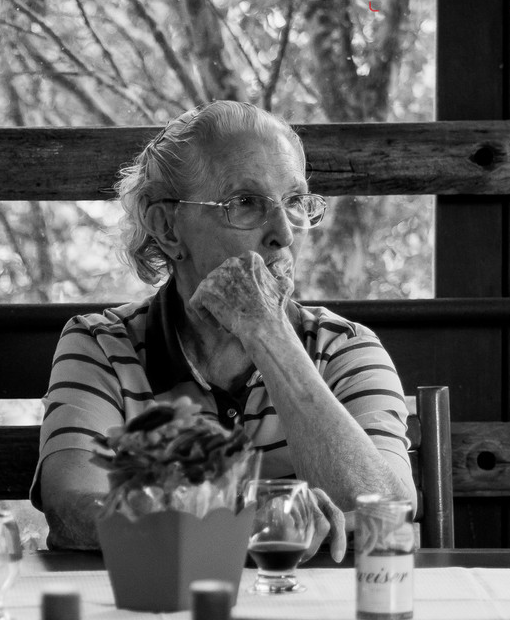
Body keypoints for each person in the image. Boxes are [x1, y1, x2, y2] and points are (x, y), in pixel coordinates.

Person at [34, 101, 416, 553]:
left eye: (295, 202)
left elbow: (384, 511)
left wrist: (266, 332)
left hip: (309, 614)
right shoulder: (101, 344)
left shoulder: (346, 349)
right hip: (162, 612)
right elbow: (73, 509)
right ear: (167, 227)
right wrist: (230, 527)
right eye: (246, 203)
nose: (285, 233)